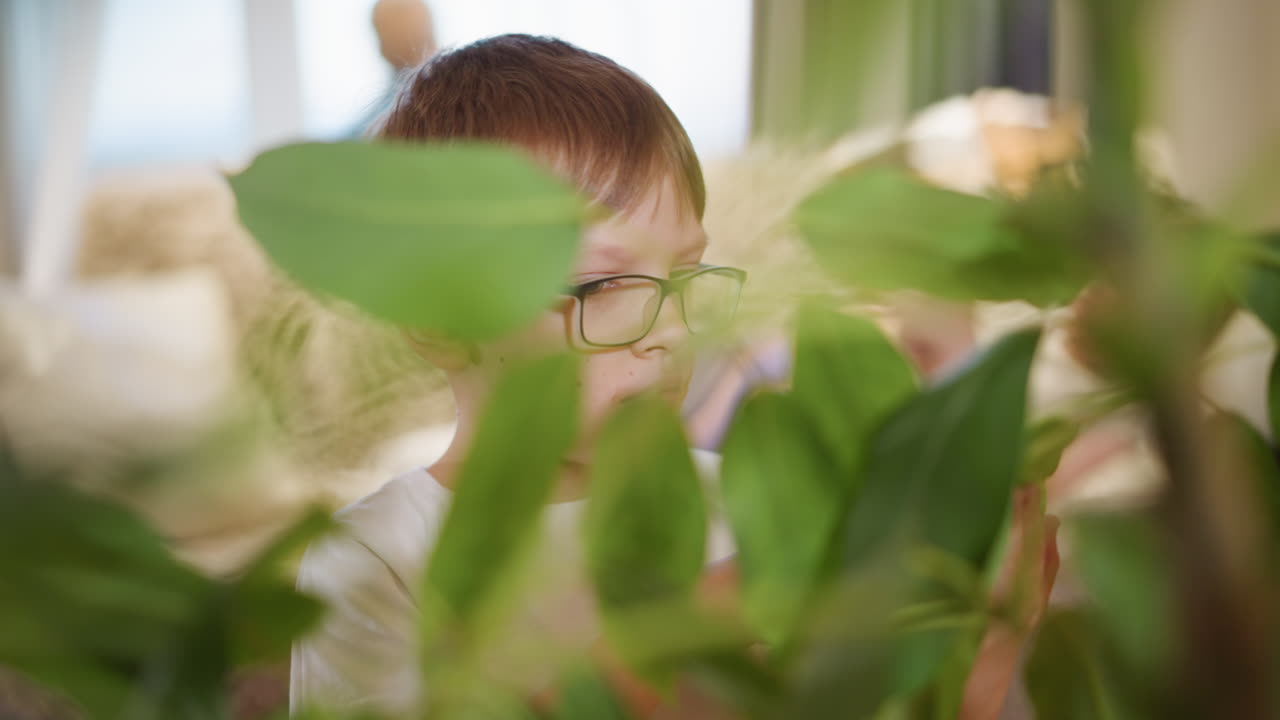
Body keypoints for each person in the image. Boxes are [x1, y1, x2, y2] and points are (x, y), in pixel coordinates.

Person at [289, 34, 1056, 719]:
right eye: (605, 287)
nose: (676, 331)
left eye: (685, 274)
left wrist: (979, 648)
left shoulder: (746, 509)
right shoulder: (370, 564)